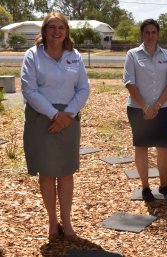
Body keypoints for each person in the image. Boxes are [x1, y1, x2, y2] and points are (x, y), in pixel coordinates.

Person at [21, 12, 90, 241]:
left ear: (66, 31)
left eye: (61, 27)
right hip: (42, 119)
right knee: (48, 174)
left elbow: (83, 88)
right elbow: (29, 90)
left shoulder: (74, 56)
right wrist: (54, 114)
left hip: (69, 119)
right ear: (45, 30)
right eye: (52, 27)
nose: (57, 31)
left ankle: (68, 224)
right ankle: (52, 222)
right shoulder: (33, 56)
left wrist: (67, 114)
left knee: (67, 172)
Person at [123, 19, 167, 202]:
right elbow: (129, 82)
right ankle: (145, 187)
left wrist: (155, 106)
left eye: (153, 32)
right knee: (142, 147)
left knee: (163, 148)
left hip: (161, 109)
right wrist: (145, 107)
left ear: (158, 34)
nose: (150, 35)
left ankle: (163, 185)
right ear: (142, 34)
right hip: (138, 110)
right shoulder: (132, 55)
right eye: (147, 32)